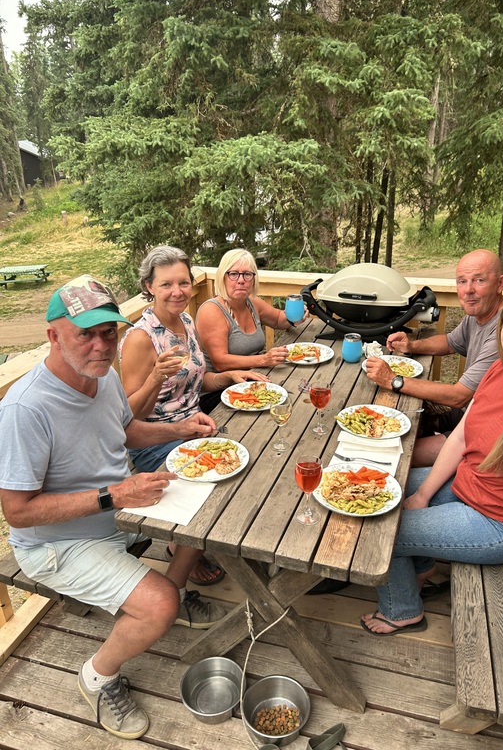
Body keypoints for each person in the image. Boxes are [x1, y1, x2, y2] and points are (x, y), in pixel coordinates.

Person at [0, 274, 229, 740]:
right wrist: (115, 496)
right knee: (158, 604)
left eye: (108, 332)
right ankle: (98, 678)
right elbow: (17, 512)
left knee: (210, 505)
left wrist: (180, 429)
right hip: (57, 544)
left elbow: (124, 432)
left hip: (118, 515)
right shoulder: (26, 409)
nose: (100, 345)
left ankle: (173, 595)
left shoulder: (100, 378)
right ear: (54, 335)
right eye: (85, 333)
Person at [361, 285, 503, 637]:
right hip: (467, 486)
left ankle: (401, 611)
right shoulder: (498, 371)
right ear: (501, 327)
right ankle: (425, 565)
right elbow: (460, 437)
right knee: (380, 487)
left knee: (382, 531)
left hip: (502, 524)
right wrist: (423, 494)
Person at [119, 246, 267, 583]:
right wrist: (156, 377)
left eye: (183, 283)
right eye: (166, 284)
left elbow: (196, 384)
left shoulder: (186, 320)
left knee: (253, 460)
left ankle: (213, 545)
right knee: (217, 487)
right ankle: (176, 578)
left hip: (196, 426)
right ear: (148, 286)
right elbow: (129, 417)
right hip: (153, 441)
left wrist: (227, 378)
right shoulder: (141, 338)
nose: (177, 292)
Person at [365, 249, 503, 466]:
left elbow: (458, 396)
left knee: (393, 454)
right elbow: (451, 342)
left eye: (479, 280)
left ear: (500, 283)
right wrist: (412, 345)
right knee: (400, 425)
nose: (468, 290)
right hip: (469, 413)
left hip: (491, 433)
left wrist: (394, 380)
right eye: (462, 281)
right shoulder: (479, 314)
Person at [195, 248, 307, 412]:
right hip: (220, 392)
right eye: (233, 274)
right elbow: (220, 362)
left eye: (247, 274)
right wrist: (264, 360)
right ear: (222, 277)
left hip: (253, 380)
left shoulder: (252, 303)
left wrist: (295, 315)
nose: (241, 280)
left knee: (298, 395)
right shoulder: (211, 310)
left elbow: (277, 319)